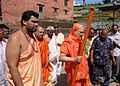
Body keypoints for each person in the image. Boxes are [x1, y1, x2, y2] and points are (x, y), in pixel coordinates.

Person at [6, 10, 43, 86]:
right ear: (24, 22)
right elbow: (12, 66)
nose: (36, 24)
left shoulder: (33, 37)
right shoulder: (16, 38)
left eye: (37, 22)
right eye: (33, 22)